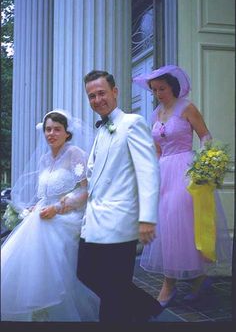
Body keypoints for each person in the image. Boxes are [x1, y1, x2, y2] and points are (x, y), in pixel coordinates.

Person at [133, 65, 232, 306]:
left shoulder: (187, 107)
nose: (158, 93)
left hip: (186, 170)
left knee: (179, 220)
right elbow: (156, 148)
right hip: (163, 171)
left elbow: (205, 136)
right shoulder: (156, 114)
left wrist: (206, 165)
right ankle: (199, 279)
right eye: (154, 90)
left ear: (173, 87)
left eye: (162, 88)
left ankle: (169, 285)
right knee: (168, 225)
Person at [77, 70, 163, 322]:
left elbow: (148, 172)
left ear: (115, 92)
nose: (97, 99)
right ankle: (148, 308)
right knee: (85, 273)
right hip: (93, 221)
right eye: (91, 96)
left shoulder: (132, 123)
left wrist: (147, 218)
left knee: (113, 289)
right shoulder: (101, 131)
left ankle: (130, 315)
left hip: (119, 221)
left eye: (101, 93)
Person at [1, 109, 100, 322]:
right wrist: (32, 209)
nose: (51, 134)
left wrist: (58, 208)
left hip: (69, 216)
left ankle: (50, 308)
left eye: (57, 129)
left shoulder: (75, 154)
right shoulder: (45, 159)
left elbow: (86, 190)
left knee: (42, 234)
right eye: (48, 129)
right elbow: (44, 195)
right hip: (45, 214)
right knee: (27, 236)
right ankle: (35, 308)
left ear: (67, 133)